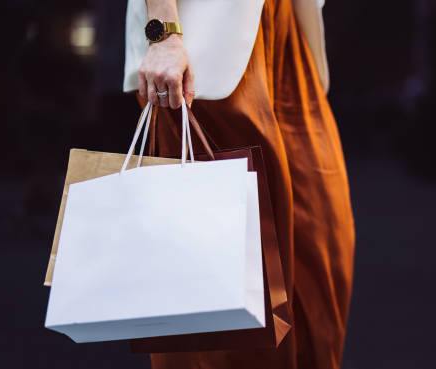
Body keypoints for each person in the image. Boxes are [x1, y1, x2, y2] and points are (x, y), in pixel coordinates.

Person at [123, 0, 355, 368]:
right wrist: (163, 33)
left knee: (319, 248)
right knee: (226, 302)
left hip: (286, 25)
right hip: (205, 42)